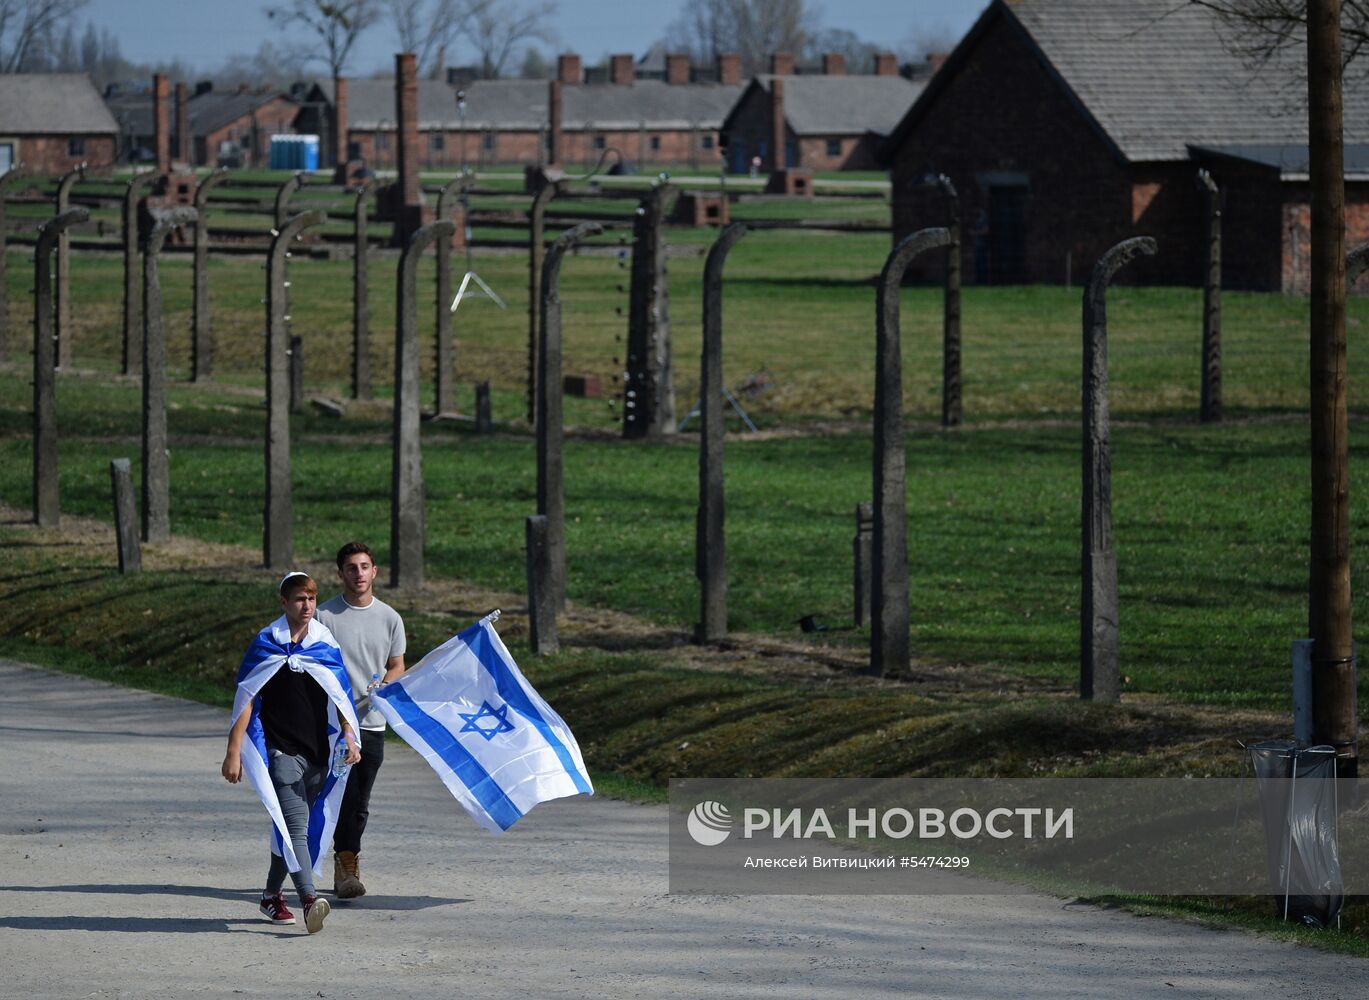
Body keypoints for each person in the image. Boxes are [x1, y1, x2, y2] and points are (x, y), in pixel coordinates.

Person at [222, 571, 362, 934]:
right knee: (295, 828)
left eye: (312, 599)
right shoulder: (267, 642)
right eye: (300, 599)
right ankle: (309, 899)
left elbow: (340, 692)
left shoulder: (323, 642)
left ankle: (271, 894)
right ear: (284, 603)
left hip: (318, 753)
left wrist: (349, 733)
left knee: (286, 828)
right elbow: (246, 699)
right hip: (280, 751)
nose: (307, 606)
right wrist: (234, 750)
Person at [315, 541, 407, 899]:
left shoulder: (390, 618)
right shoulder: (323, 617)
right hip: (331, 725)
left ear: (375, 572)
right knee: (331, 795)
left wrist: (385, 685)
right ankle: (326, 861)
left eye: (364, 567)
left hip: (371, 722)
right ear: (340, 574)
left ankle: (346, 862)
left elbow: (397, 665)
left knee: (359, 799)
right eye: (351, 568)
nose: (358, 574)